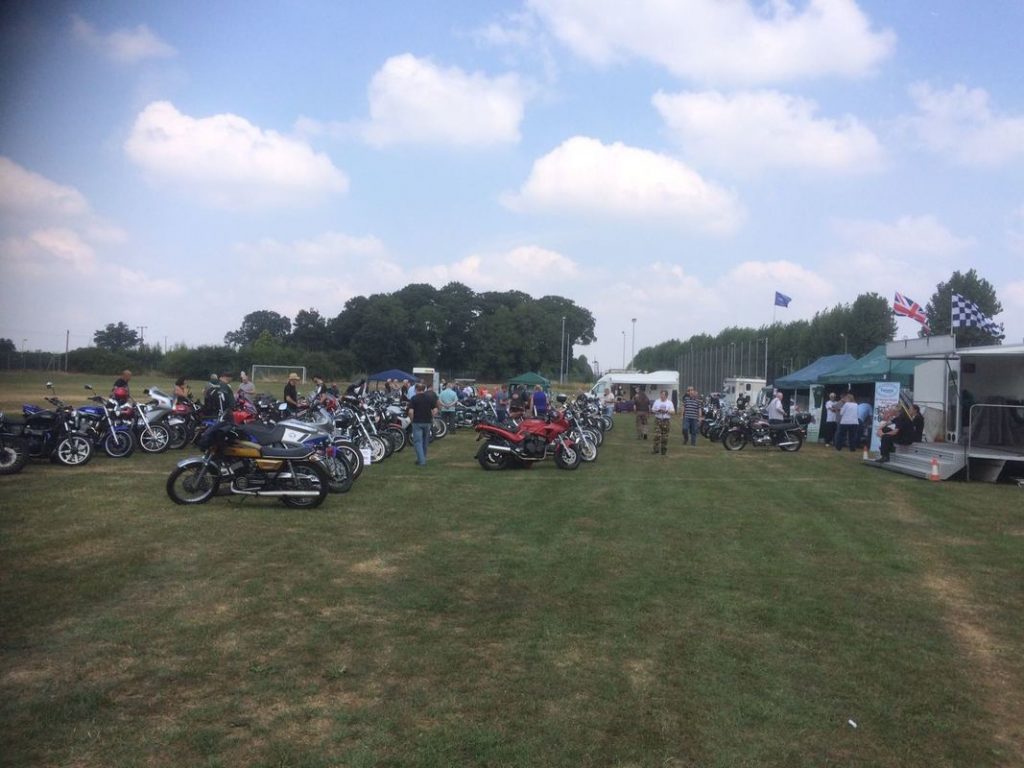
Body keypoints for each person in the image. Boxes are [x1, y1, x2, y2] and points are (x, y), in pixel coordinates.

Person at [407, 382, 438, 466]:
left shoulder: (414, 398)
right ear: (424, 389)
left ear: (416, 389)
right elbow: (435, 410)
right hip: (427, 422)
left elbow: (410, 412)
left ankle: (422, 461)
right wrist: (431, 416)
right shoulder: (429, 398)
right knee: (425, 442)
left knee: (418, 442)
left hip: (417, 422)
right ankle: (422, 458)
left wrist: (412, 420)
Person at [650, 390, 675, 455]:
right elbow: (652, 410)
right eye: (661, 394)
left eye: (663, 395)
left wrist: (667, 411)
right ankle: (656, 450)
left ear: (666, 396)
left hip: (666, 421)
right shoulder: (657, 401)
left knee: (665, 437)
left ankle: (663, 451)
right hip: (658, 420)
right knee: (657, 435)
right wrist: (657, 410)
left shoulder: (669, 403)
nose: (661, 396)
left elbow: (673, 412)